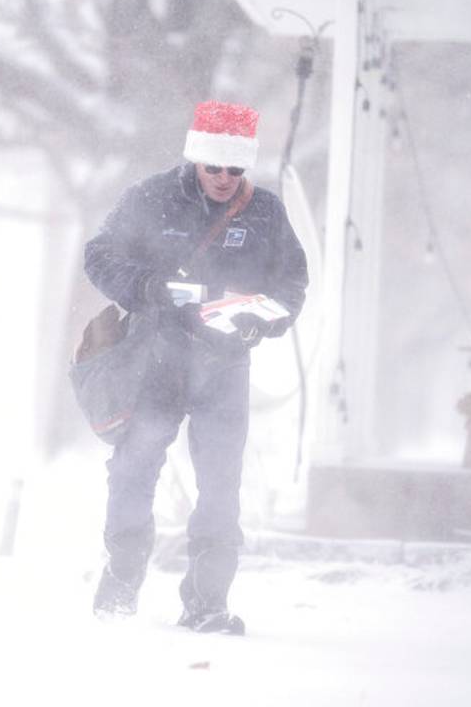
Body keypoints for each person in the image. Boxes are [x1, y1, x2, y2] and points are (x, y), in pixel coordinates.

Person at [83, 100, 308, 634]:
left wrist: (264, 321)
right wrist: (146, 288)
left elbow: (292, 282)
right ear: (196, 161)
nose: (226, 180)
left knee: (221, 486)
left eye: (236, 170)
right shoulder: (151, 198)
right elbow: (99, 255)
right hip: (154, 361)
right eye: (215, 168)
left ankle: (207, 604)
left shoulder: (265, 212)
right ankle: (122, 575)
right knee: (134, 469)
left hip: (225, 367)